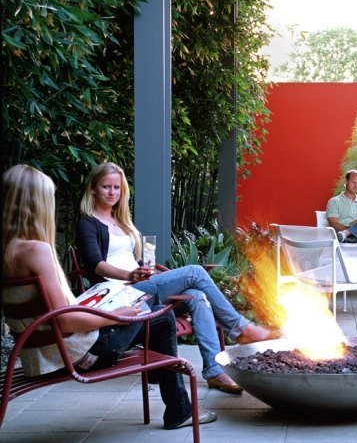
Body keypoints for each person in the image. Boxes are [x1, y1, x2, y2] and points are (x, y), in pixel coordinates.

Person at [2, 164, 216, 430]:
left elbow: (56, 315)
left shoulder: (8, 250)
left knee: (169, 304)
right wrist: (116, 316)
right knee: (162, 318)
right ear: (37, 204)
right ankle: (179, 409)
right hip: (79, 354)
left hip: (41, 355)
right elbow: (66, 322)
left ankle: (164, 382)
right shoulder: (37, 250)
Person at [75, 162, 274, 395]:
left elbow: (130, 260)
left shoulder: (122, 222)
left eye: (116, 188)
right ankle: (241, 329)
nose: (111, 192)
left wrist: (145, 271)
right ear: (93, 189)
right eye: (105, 187)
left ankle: (213, 370)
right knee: (195, 272)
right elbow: (96, 265)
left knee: (197, 296)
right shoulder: (87, 223)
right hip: (122, 296)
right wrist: (130, 275)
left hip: (140, 286)